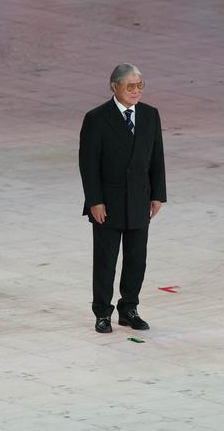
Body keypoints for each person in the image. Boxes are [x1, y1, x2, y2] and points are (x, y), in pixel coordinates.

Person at [79, 64, 166, 335]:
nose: (136, 91)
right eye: (130, 86)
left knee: (136, 258)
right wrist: (95, 200)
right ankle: (102, 312)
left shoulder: (150, 115)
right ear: (114, 86)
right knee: (106, 259)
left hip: (139, 200)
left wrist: (157, 195)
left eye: (140, 86)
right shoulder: (96, 118)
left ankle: (129, 308)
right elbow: (88, 164)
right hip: (108, 202)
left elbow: (156, 157)